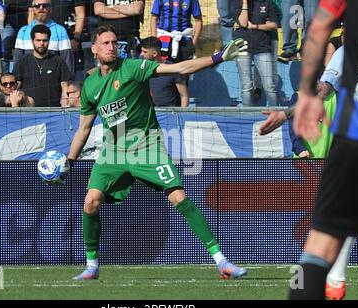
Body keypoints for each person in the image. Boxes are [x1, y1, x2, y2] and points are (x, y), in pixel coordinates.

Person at [66, 24, 248, 280]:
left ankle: (221, 261)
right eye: (105, 43)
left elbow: (179, 68)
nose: (111, 47)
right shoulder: (90, 85)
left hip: (146, 144)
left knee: (179, 198)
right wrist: (69, 161)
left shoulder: (132, 67)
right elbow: (84, 128)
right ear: (94, 48)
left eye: (114, 42)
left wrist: (217, 57)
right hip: (114, 149)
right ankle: (92, 266)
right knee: (90, 202)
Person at [287, 0, 358, 300]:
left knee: (318, 242)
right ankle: (336, 276)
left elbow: (319, 28)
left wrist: (305, 96)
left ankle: (331, 277)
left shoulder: (345, 40)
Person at [231, 0, 279, 107]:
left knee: (270, 86)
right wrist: (245, 3)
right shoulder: (236, 2)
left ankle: (273, 114)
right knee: (246, 86)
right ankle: (247, 117)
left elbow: (275, 24)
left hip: (263, 47)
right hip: (243, 47)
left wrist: (256, 26)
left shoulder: (267, 2)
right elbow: (243, 22)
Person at [14, 24, 70, 107]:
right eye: (38, 40)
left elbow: (65, 88)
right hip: (29, 111)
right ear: (32, 41)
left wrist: (64, 108)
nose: (42, 44)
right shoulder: (22, 62)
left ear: (49, 41)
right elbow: (16, 89)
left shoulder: (58, 61)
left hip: (53, 110)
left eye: (45, 40)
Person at [14, 0, 74, 74]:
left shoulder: (60, 31)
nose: (41, 8)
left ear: (51, 9)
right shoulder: (23, 31)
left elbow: (67, 62)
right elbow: (17, 62)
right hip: (28, 82)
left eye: (45, 6)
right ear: (32, 9)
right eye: (37, 6)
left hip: (53, 81)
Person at [140, 37, 189, 107]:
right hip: (148, 113)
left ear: (154, 54)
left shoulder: (173, 69)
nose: (141, 54)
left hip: (169, 113)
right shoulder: (141, 69)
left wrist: (183, 115)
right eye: (141, 51)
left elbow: (184, 96)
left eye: (145, 52)